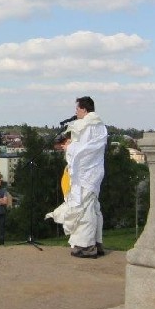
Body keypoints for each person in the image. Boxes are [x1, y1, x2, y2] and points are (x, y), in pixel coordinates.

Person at [45, 96, 107, 258]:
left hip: (85, 175)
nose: (76, 112)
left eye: (77, 109)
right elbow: (90, 147)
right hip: (95, 173)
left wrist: (68, 147)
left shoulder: (85, 125)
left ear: (84, 109)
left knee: (84, 208)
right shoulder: (100, 126)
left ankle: (86, 247)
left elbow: (83, 150)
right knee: (93, 208)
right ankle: (97, 243)